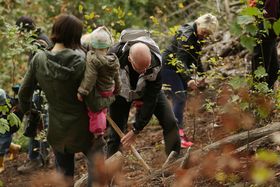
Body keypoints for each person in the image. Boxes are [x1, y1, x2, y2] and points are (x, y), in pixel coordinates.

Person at [18, 14, 100, 186]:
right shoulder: (83, 61)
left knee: (63, 175)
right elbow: (93, 101)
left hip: (56, 127)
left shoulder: (38, 59)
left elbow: (23, 94)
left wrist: (31, 113)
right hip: (83, 127)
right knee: (97, 165)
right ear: (75, 36)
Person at [107, 29, 181, 158]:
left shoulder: (156, 62)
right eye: (140, 68)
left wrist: (136, 129)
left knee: (171, 122)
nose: (144, 72)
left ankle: (174, 161)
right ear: (130, 59)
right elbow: (101, 79)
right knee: (115, 136)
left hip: (147, 90)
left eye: (147, 67)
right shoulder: (114, 57)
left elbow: (151, 99)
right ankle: (111, 175)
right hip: (121, 93)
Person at [161, 14, 219, 148]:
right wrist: (189, 79)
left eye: (207, 34)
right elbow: (180, 60)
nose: (204, 36)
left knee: (181, 99)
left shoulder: (198, 36)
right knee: (179, 97)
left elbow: (195, 57)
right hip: (169, 66)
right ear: (198, 24)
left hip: (179, 68)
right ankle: (175, 135)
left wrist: (202, 75)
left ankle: (176, 134)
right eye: (203, 32)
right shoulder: (186, 35)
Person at [15, 16, 52, 173]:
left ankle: (37, 159)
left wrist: (27, 92)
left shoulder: (40, 43)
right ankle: (43, 158)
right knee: (39, 124)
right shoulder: (39, 39)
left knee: (36, 123)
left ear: (24, 30)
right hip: (42, 90)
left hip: (41, 91)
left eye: (19, 31)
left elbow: (38, 71)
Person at [77, 26, 121, 137]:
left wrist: (82, 92)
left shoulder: (93, 59)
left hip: (98, 93)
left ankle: (98, 131)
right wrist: (117, 89)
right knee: (103, 109)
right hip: (108, 91)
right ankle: (102, 128)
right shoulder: (113, 59)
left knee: (94, 112)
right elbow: (117, 77)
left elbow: (90, 77)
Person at [249, 0, 280, 89]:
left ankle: (266, 99)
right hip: (264, 33)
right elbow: (270, 15)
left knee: (273, 71)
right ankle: (257, 99)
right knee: (260, 74)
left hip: (269, 34)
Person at [0, 88, 21, 173]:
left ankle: (1, 165)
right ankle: (15, 148)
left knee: (2, 143)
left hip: (7, 125)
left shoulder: (10, 104)